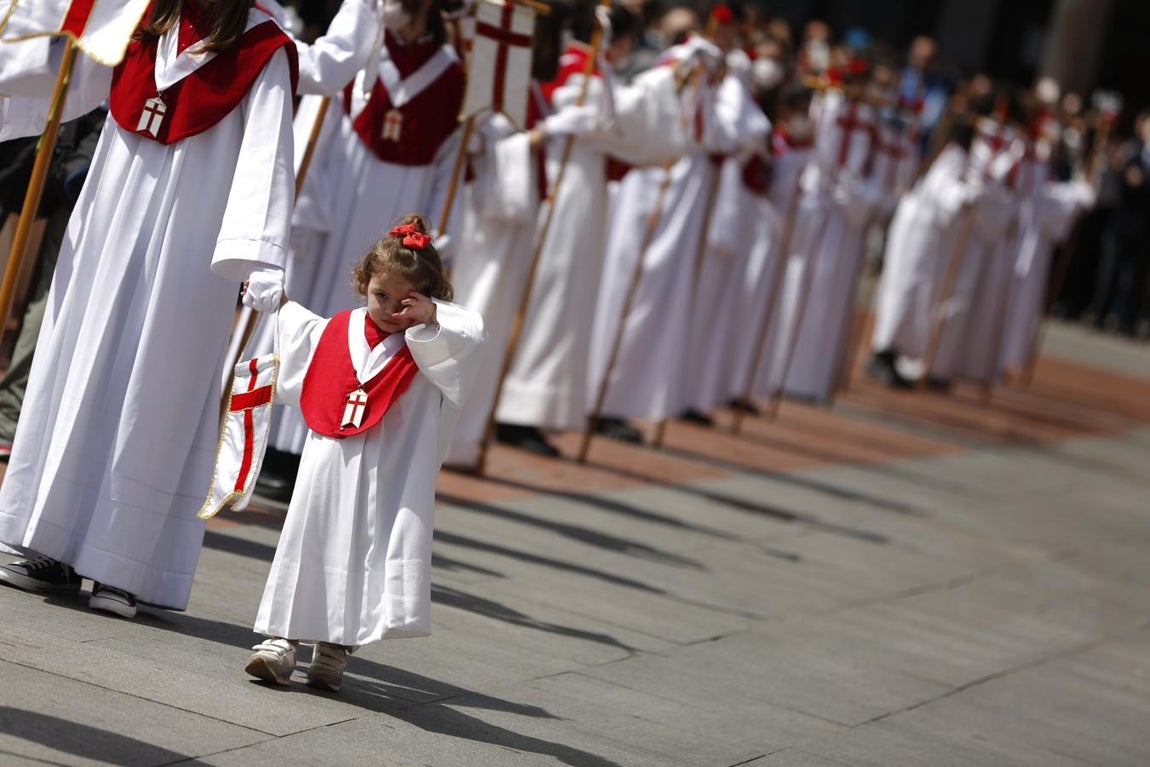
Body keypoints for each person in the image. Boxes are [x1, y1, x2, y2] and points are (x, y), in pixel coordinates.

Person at [0, 0, 298, 618]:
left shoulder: (262, 49)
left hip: (189, 245)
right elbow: (58, 68)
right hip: (108, 224)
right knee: (78, 365)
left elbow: (268, 155)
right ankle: (48, 542)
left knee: (158, 383)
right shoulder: (137, 20)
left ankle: (122, 564)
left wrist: (260, 255)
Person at [244, 215, 485, 691]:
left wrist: (431, 316)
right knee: (306, 538)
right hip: (326, 464)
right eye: (381, 296)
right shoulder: (338, 328)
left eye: (406, 301)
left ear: (429, 299)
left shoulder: (430, 346)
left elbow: (472, 336)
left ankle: (334, 650)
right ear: (363, 283)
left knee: (363, 555)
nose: (391, 309)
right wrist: (275, 300)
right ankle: (280, 640)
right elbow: (299, 334)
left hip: (385, 470)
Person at [256, 0, 466, 494]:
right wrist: (304, 207)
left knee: (371, 332)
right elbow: (319, 128)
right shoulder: (356, 47)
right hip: (337, 202)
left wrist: (434, 229)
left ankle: (330, 441)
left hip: (399, 212)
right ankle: (277, 443)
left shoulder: (451, 72)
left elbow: (447, 161)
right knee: (318, 317)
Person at [0, 107, 106, 461]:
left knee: (53, 285)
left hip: (81, 153)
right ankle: (12, 412)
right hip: (85, 155)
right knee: (53, 287)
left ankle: (13, 412)